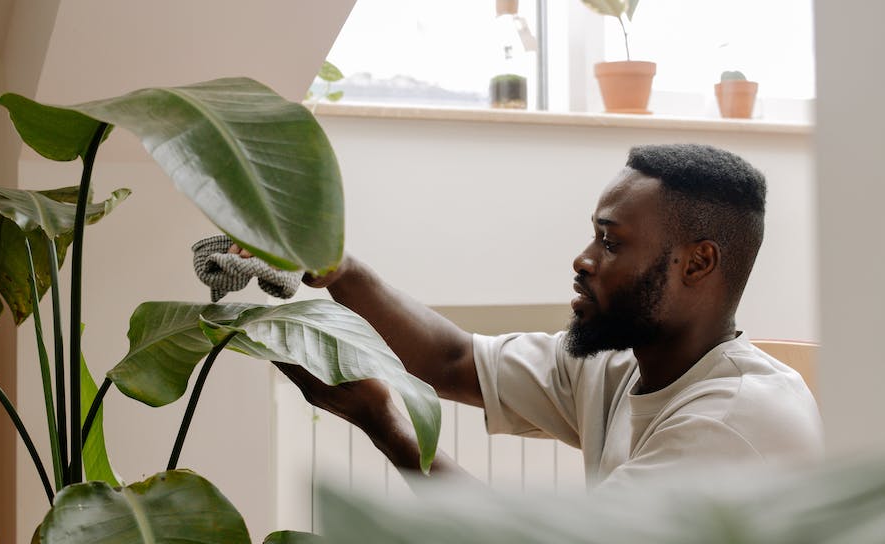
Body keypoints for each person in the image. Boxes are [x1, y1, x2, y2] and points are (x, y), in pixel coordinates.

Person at [242, 143, 824, 490]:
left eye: (610, 241)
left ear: (698, 263)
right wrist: (336, 267)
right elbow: (453, 360)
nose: (583, 259)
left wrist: (387, 428)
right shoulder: (623, 366)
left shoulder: (730, 425)